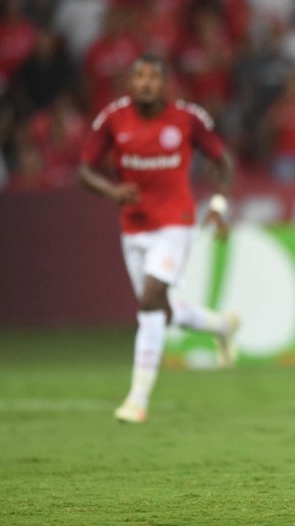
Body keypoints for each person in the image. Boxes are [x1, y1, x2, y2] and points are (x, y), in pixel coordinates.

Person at [79, 54, 239, 424]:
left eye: (153, 76)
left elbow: (223, 162)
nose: (146, 82)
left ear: (165, 83)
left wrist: (217, 205)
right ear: (129, 83)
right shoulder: (112, 119)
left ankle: (137, 399)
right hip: (134, 227)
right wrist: (111, 191)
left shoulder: (187, 118)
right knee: (161, 311)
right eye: (139, 76)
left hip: (176, 223)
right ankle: (221, 326)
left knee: (151, 301)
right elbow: (84, 169)